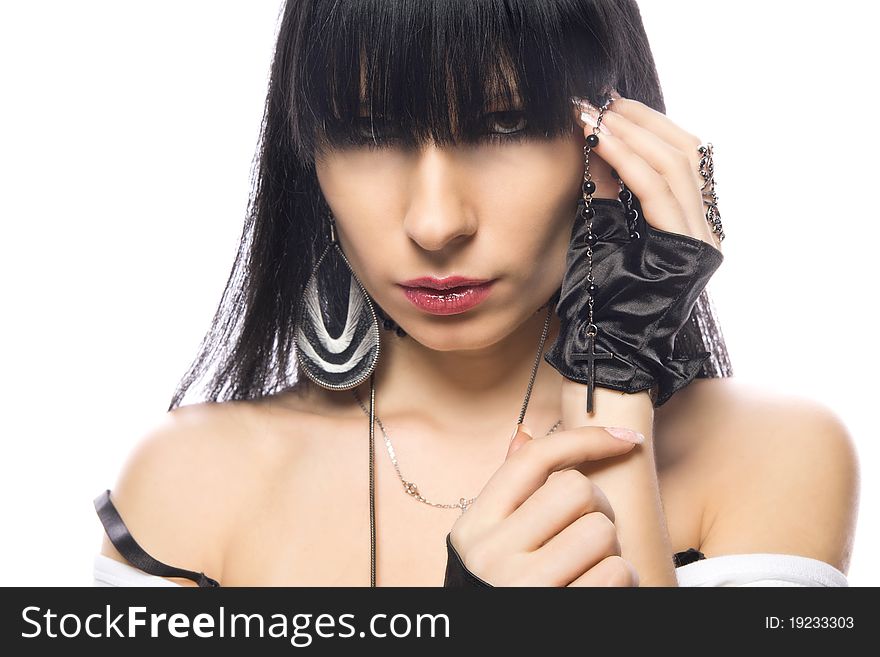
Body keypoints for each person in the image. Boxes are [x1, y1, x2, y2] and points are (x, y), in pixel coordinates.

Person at [93, 0, 858, 587]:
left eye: (503, 124)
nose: (436, 222)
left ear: (611, 137)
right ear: (310, 160)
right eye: (366, 132)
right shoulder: (186, 481)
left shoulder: (774, 456)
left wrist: (612, 374)